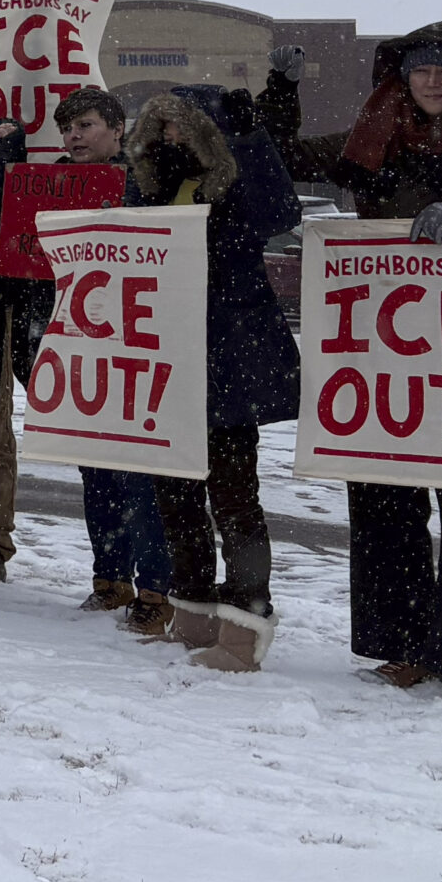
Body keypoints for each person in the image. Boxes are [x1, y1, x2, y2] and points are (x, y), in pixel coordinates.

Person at [271, 22, 442, 688]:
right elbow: (282, 154)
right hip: (388, 353)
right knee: (386, 494)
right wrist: (279, 90)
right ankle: (407, 646)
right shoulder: (368, 140)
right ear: (402, 77)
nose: (434, 80)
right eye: (422, 69)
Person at [0, 92, 172, 622]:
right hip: (62, 342)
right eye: (67, 127)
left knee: (138, 472)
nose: (74, 136)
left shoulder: (145, 182)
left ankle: (157, 591)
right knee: (94, 468)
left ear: (118, 130)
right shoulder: (42, 185)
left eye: (87, 125)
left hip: (129, 347)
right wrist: (1, 163)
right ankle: (112, 578)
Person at [126, 85, 300, 671]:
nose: (172, 138)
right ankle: (193, 615)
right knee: (175, 496)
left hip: (229, 360)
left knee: (234, 501)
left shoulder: (235, 182)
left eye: (183, 126)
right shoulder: (151, 184)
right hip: (168, 357)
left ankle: (244, 629)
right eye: (164, 127)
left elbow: (280, 213)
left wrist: (251, 139)